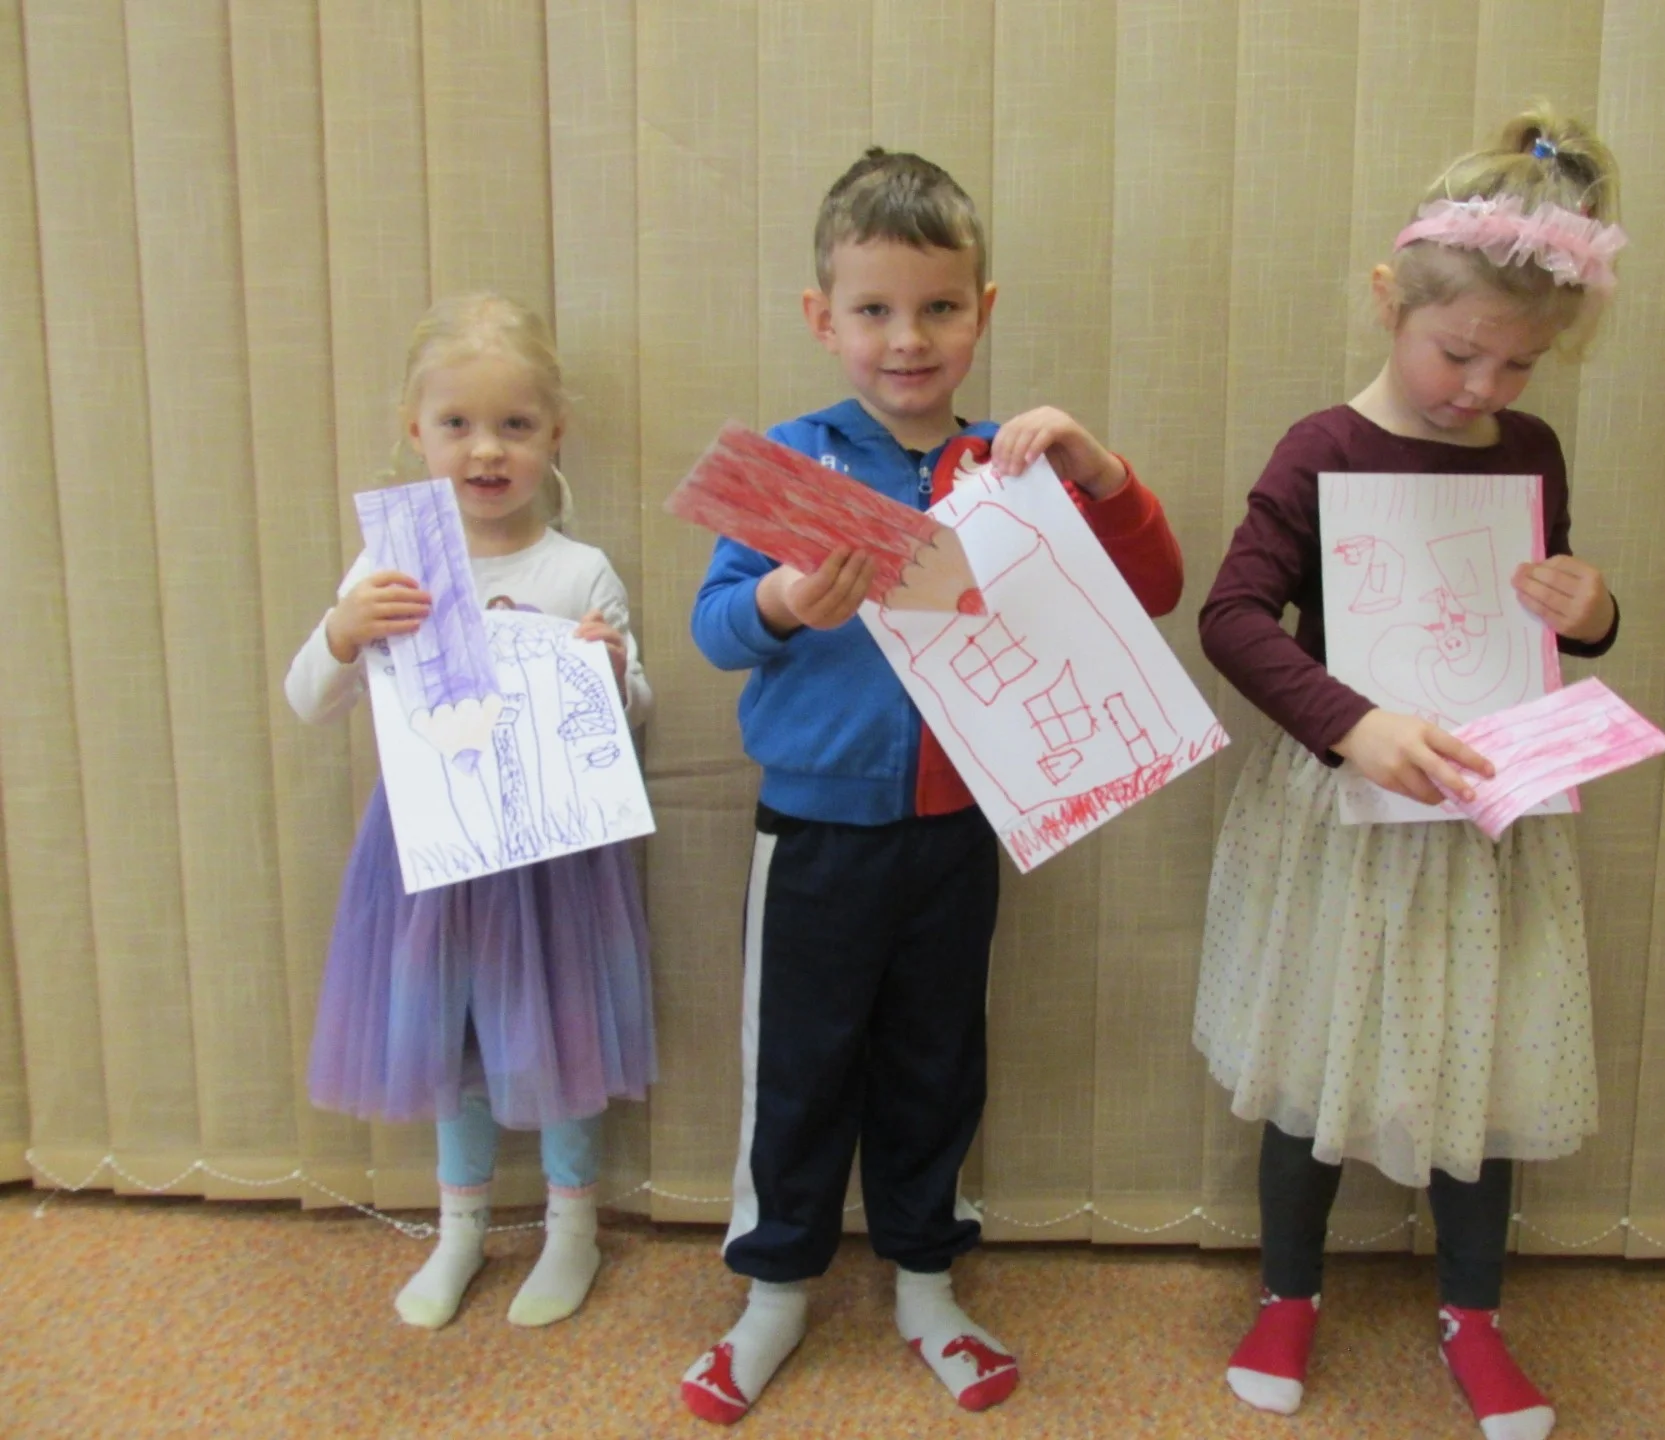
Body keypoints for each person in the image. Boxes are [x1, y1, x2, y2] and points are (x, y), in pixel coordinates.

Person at [682, 148, 1183, 1424]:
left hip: (959, 834)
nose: (907, 339)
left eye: (939, 308)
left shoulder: (1013, 470)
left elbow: (1155, 590)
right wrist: (783, 601)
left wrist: (1100, 470)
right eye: (874, 309)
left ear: (983, 311)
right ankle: (773, 1295)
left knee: (935, 1063)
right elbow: (715, 629)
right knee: (798, 1069)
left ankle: (925, 1285)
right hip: (814, 834)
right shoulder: (790, 464)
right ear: (823, 318)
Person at [1193, 108, 1627, 1440]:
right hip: (1347, 813)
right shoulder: (1323, 449)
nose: (1483, 388)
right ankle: (1288, 1293)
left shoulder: (1529, 453)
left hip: (1486, 819)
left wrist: (1593, 610)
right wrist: (1352, 724)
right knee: (1317, 1057)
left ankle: (1475, 1313)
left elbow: (1533, 618)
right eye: (1457, 352)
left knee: (1479, 1065)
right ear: (1390, 300)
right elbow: (1233, 618)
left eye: (1519, 363)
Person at [286, 292, 655, 1331]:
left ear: (555, 433)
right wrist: (345, 629)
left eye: (515, 425)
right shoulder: (391, 570)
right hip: (428, 855)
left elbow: (632, 718)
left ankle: (572, 1229)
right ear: (416, 432)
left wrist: (611, 674)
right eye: (457, 423)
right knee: (453, 1042)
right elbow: (309, 698)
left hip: (553, 859)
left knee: (560, 1035)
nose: (486, 449)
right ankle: (460, 1231)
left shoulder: (577, 568)